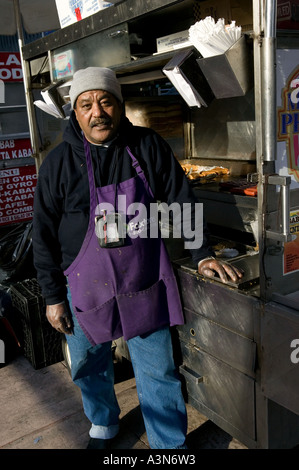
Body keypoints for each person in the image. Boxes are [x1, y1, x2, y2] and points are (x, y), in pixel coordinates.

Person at [32, 67, 243, 450]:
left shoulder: (146, 146)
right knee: (88, 365)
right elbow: (43, 234)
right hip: (83, 287)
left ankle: (168, 444)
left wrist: (201, 254)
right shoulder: (58, 165)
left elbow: (181, 199)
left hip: (141, 281)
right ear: (75, 114)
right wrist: (52, 296)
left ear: (119, 105)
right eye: (86, 104)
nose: (98, 112)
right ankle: (103, 424)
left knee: (157, 370)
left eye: (106, 101)